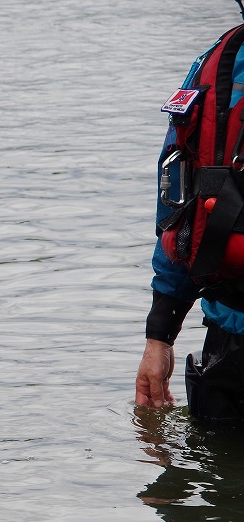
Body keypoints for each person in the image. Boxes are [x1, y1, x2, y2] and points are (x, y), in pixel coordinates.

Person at [136, 6, 244, 419]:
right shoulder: (216, 62)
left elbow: (177, 205)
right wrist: (157, 338)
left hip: (229, 347)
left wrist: (160, 337)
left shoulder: (217, 62)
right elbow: (182, 207)